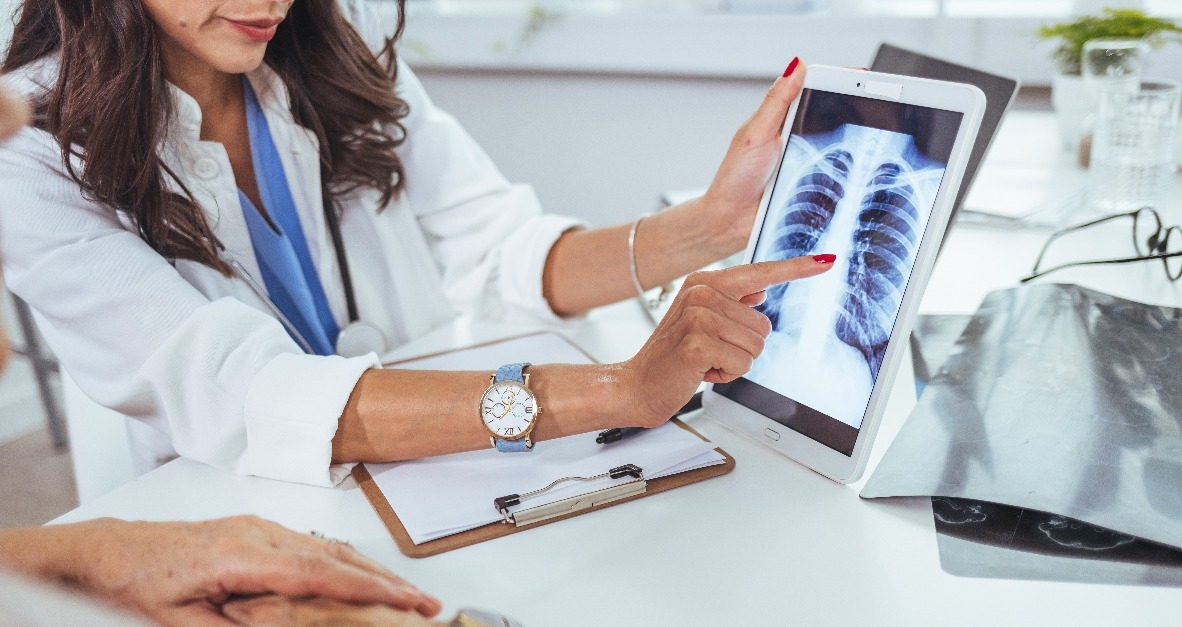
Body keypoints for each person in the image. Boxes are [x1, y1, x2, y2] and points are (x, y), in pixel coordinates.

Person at [0, 0, 833, 488]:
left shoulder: (332, 45)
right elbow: (251, 394)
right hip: (225, 513)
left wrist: (713, 223)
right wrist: (619, 390)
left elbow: (502, 245)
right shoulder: (27, 148)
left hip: (430, 475)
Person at [0, 77, 457, 627]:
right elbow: (237, 387)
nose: (11, 113)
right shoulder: (39, 136)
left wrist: (96, 559)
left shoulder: (329, 49)